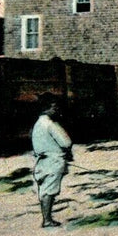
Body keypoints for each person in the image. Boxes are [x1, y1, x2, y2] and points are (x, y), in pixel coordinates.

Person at [31, 93, 73, 228]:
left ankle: (46, 218)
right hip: (53, 161)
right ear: (47, 108)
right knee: (51, 191)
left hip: (41, 161)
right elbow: (66, 142)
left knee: (44, 190)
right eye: (54, 107)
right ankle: (47, 219)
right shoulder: (50, 124)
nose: (56, 110)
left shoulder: (37, 124)